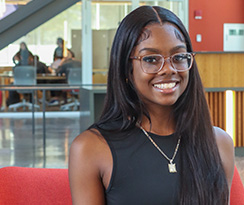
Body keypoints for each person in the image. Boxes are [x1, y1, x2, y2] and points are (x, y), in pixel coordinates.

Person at [69, 6, 234, 204]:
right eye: (151, 59)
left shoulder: (219, 142)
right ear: (126, 69)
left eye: (179, 57)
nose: (168, 69)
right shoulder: (91, 148)